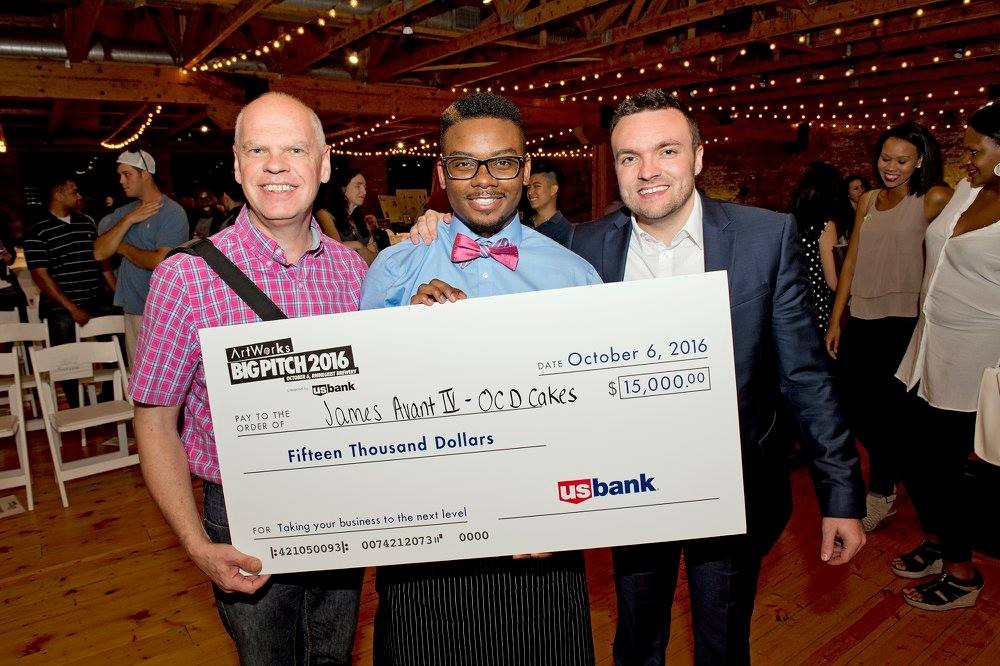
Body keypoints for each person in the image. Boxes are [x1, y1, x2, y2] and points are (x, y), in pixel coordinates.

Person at [407, 89, 866, 665]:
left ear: (697, 158)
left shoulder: (763, 238)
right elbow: (510, 325)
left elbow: (806, 378)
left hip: (735, 482)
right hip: (630, 491)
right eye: (629, 157)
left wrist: (841, 496)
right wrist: (438, 222)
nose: (648, 171)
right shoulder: (583, 249)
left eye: (666, 151)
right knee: (636, 637)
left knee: (724, 641)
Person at [360, 92, 601, 666]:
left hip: (539, 541)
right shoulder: (395, 269)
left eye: (502, 161)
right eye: (465, 162)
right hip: (425, 541)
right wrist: (402, 331)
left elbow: (595, 419)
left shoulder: (575, 276)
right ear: (442, 172)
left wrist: (572, 514)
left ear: (525, 168)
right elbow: (360, 410)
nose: (484, 179)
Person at [130, 92, 367, 664]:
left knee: (333, 657)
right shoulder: (185, 278)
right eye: (257, 150)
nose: (276, 164)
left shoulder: (354, 271)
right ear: (238, 167)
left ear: (324, 164)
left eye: (294, 149)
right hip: (241, 512)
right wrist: (196, 544)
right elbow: (155, 420)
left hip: (341, 499)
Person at [892, 102, 1000, 611]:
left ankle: (962, 571)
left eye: (976, 149)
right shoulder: (967, 189)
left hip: (978, 357)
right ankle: (937, 540)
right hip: (928, 344)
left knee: (953, 467)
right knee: (916, 453)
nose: (967, 157)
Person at [825, 123, 952, 532]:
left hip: (904, 322)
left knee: (890, 414)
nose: (891, 167)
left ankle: (881, 492)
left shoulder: (933, 198)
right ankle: (895, 478)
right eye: (885, 158)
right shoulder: (868, 201)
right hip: (861, 318)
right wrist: (835, 320)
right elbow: (851, 263)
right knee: (851, 408)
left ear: (920, 162)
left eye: (902, 160)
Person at [24, 176, 118, 403]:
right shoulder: (38, 230)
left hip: (95, 297)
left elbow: (101, 260)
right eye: (73, 192)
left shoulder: (86, 222)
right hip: (61, 306)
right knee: (67, 360)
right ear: (58, 195)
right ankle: (78, 405)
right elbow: (40, 276)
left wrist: (116, 294)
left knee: (115, 346)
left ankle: (108, 397)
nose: (79, 197)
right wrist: (71, 308)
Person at [94, 149, 188, 364]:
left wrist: (122, 247)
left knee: (165, 383)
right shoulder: (124, 213)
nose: (121, 180)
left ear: (145, 174)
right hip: (133, 309)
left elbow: (159, 261)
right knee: (138, 381)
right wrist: (128, 220)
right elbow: (99, 252)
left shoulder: (172, 212)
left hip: (163, 312)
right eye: (120, 175)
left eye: (127, 174)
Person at [788, 162, 852, 332]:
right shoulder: (824, 225)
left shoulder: (789, 220)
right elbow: (832, 281)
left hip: (793, 304)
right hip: (817, 306)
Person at [316, 168, 376, 264]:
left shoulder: (362, 221)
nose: (364, 192)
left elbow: (374, 260)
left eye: (365, 187)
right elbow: (336, 249)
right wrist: (359, 246)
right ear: (343, 188)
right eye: (358, 186)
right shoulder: (324, 214)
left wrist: (356, 246)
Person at [525, 161, 572, 247]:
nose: (530, 192)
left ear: (553, 190)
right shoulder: (524, 225)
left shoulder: (565, 230)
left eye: (537, 186)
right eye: (529, 187)